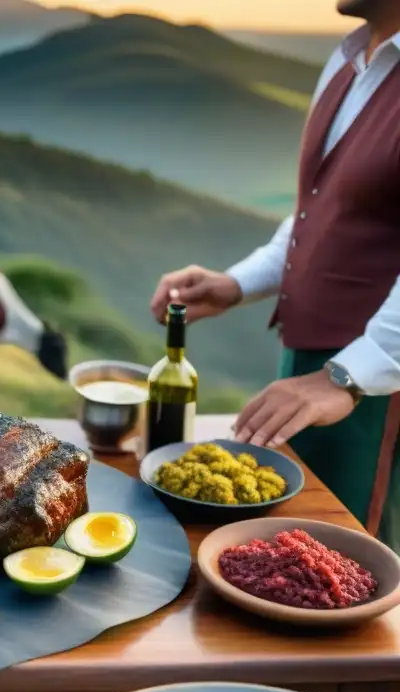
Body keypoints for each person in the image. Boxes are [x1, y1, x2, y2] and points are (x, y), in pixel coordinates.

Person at [150, 0, 400, 551]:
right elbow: (319, 208)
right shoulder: (349, 59)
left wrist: (348, 378)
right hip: (315, 370)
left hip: (376, 389)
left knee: (351, 567)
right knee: (294, 555)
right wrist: (237, 283)